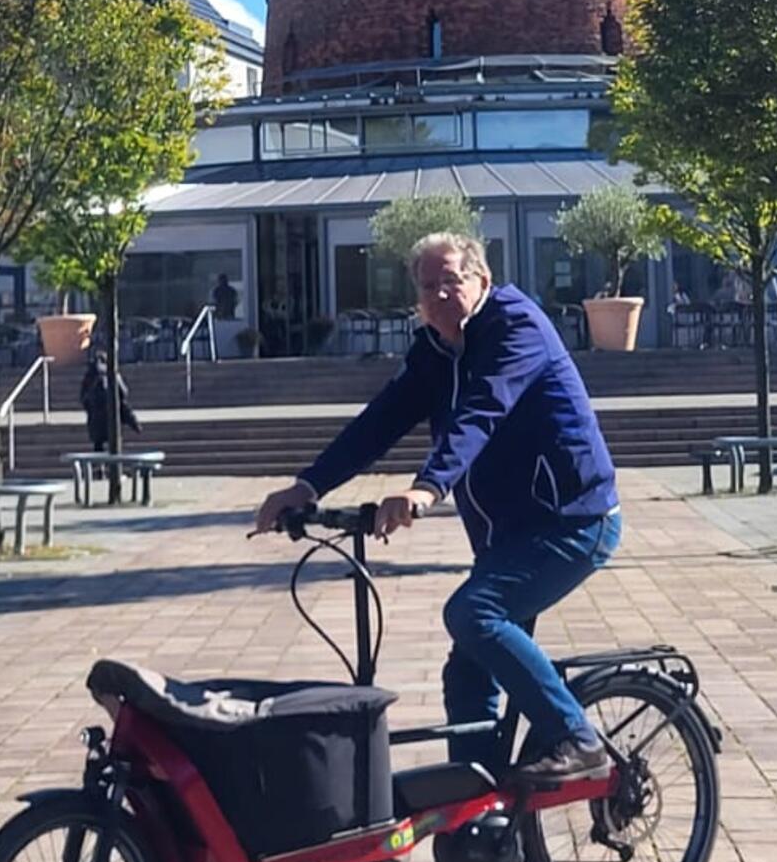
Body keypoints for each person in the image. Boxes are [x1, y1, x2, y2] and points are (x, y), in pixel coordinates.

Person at [253, 232, 620, 782]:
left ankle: (578, 738)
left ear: (482, 281)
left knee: (473, 614)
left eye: (452, 281)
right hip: (508, 538)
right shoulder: (433, 351)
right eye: (429, 286)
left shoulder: (516, 328)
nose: (441, 295)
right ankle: (475, 838)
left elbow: (483, 411)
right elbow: (378, 422)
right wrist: (308, 487)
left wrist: (427, 487)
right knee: (466, 678)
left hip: (572, 520)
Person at [79, 353, 141, 455]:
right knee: (115, 444)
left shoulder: (90, 376)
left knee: (98, 446)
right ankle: (115, 466)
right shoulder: (112, 373)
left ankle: (99, 469)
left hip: (96, 418)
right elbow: (123, 395)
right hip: (112, 417)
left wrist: (90, 409)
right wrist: (134, 423)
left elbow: (83, 398)